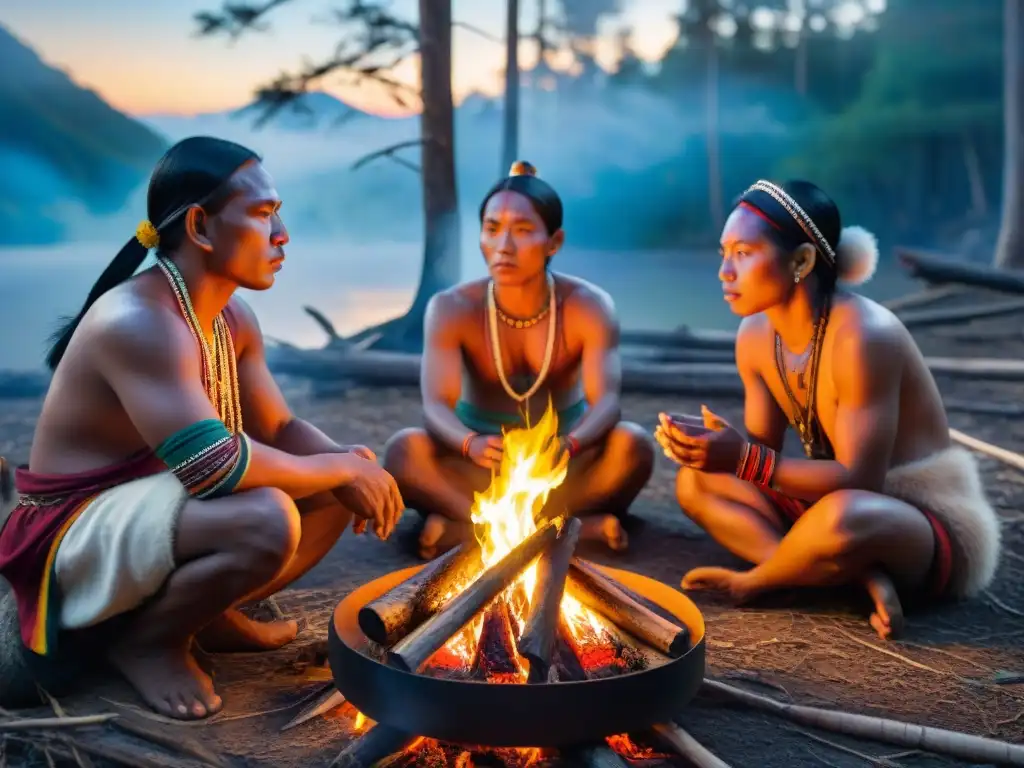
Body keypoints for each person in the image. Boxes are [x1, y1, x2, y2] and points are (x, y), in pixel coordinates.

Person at [0, 137, 404, 720]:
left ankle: (205, 615)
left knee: (341, 476)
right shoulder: (139, 320)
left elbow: (280, 425)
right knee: (268, 517)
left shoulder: (231, 316)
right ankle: (147, 641)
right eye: (264, 214)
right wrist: (336, 466)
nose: (283, 233)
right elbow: (213, 467)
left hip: (152, 513)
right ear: (200, 225)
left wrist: (348, 462)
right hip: (73, 528)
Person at [656, 179, 1001, 640]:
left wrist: (742, 458)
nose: (725, 271)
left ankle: (766, 579)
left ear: (801, 261)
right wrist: (710, 448)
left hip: (916, 519)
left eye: (743, 252)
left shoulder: (864, 336)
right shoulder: (755, 336)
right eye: (724, 252)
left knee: (842, 517)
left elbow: (860, 482)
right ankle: (845, 574)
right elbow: (762, 452)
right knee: (695, 482)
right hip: (826, 502)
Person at [384, 161, 655, 559]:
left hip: (562, 464)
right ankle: (565, 530)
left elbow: (607, 402)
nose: (504, 246)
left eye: (523, 230)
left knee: (633, 445)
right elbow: (435, 406)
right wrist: (469, 443)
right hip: (477, 465)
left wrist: (571, 445)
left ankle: (468, 530)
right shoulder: (451, 307)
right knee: (403, 452)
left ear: (554, 242)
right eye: (492, 229)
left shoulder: (589, 306)